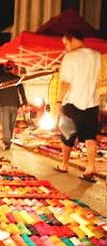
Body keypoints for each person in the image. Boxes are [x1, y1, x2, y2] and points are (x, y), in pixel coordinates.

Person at [54, 30, 101, 183]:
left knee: (67, 135)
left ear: (73, 39)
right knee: (90, 136)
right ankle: (91, 167)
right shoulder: (96, 55)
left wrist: (58, 102)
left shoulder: (70, 57)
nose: (66, 47)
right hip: (92, 102)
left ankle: (64, 164)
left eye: (66, 43)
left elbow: (65, 82)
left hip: (72, 102)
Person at [0, 61, 28, 150]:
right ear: (13, 69)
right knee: (11, 124)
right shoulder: (17, 78)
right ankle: (8, 141)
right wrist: (25, 102)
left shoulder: (0, 79)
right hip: (14, 104)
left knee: (5, 124)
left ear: (4, 69)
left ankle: (7, 142)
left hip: (3, 104)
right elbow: (22, 91)